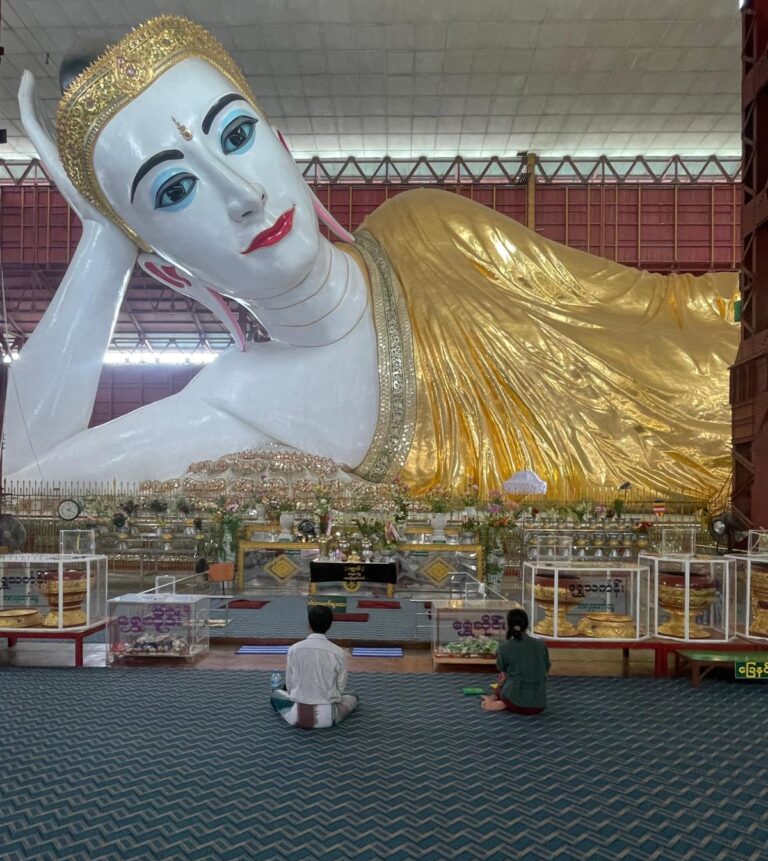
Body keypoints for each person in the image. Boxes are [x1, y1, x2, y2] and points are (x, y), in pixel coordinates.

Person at [4, 15, 738, 501]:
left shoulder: (430, 228)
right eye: (173, 189)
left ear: (284, 151)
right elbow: (21, 484)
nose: (242, 196)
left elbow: (646, 306)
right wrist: (105, 241)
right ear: (166, 267)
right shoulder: (231, 407)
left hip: (710, 400)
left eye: (235, 139)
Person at [271, 605, 358, 729]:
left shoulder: (294, 649)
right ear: (329, 625)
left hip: (297, 716)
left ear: (309, 624)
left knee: (276, 695)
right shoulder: (339, 653)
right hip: (328, 717)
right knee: (353, 695)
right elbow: (340, 688)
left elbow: (290, 685)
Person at [482, 609, 550, 715]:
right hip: (539, 704)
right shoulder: (541, 644)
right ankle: (503, 702)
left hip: (516, 702)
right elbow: (546, 667)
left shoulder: (505, 647)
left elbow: (500, 668)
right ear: (527, 624)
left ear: (509, 625)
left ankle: (504, 702)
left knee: (501, 682)